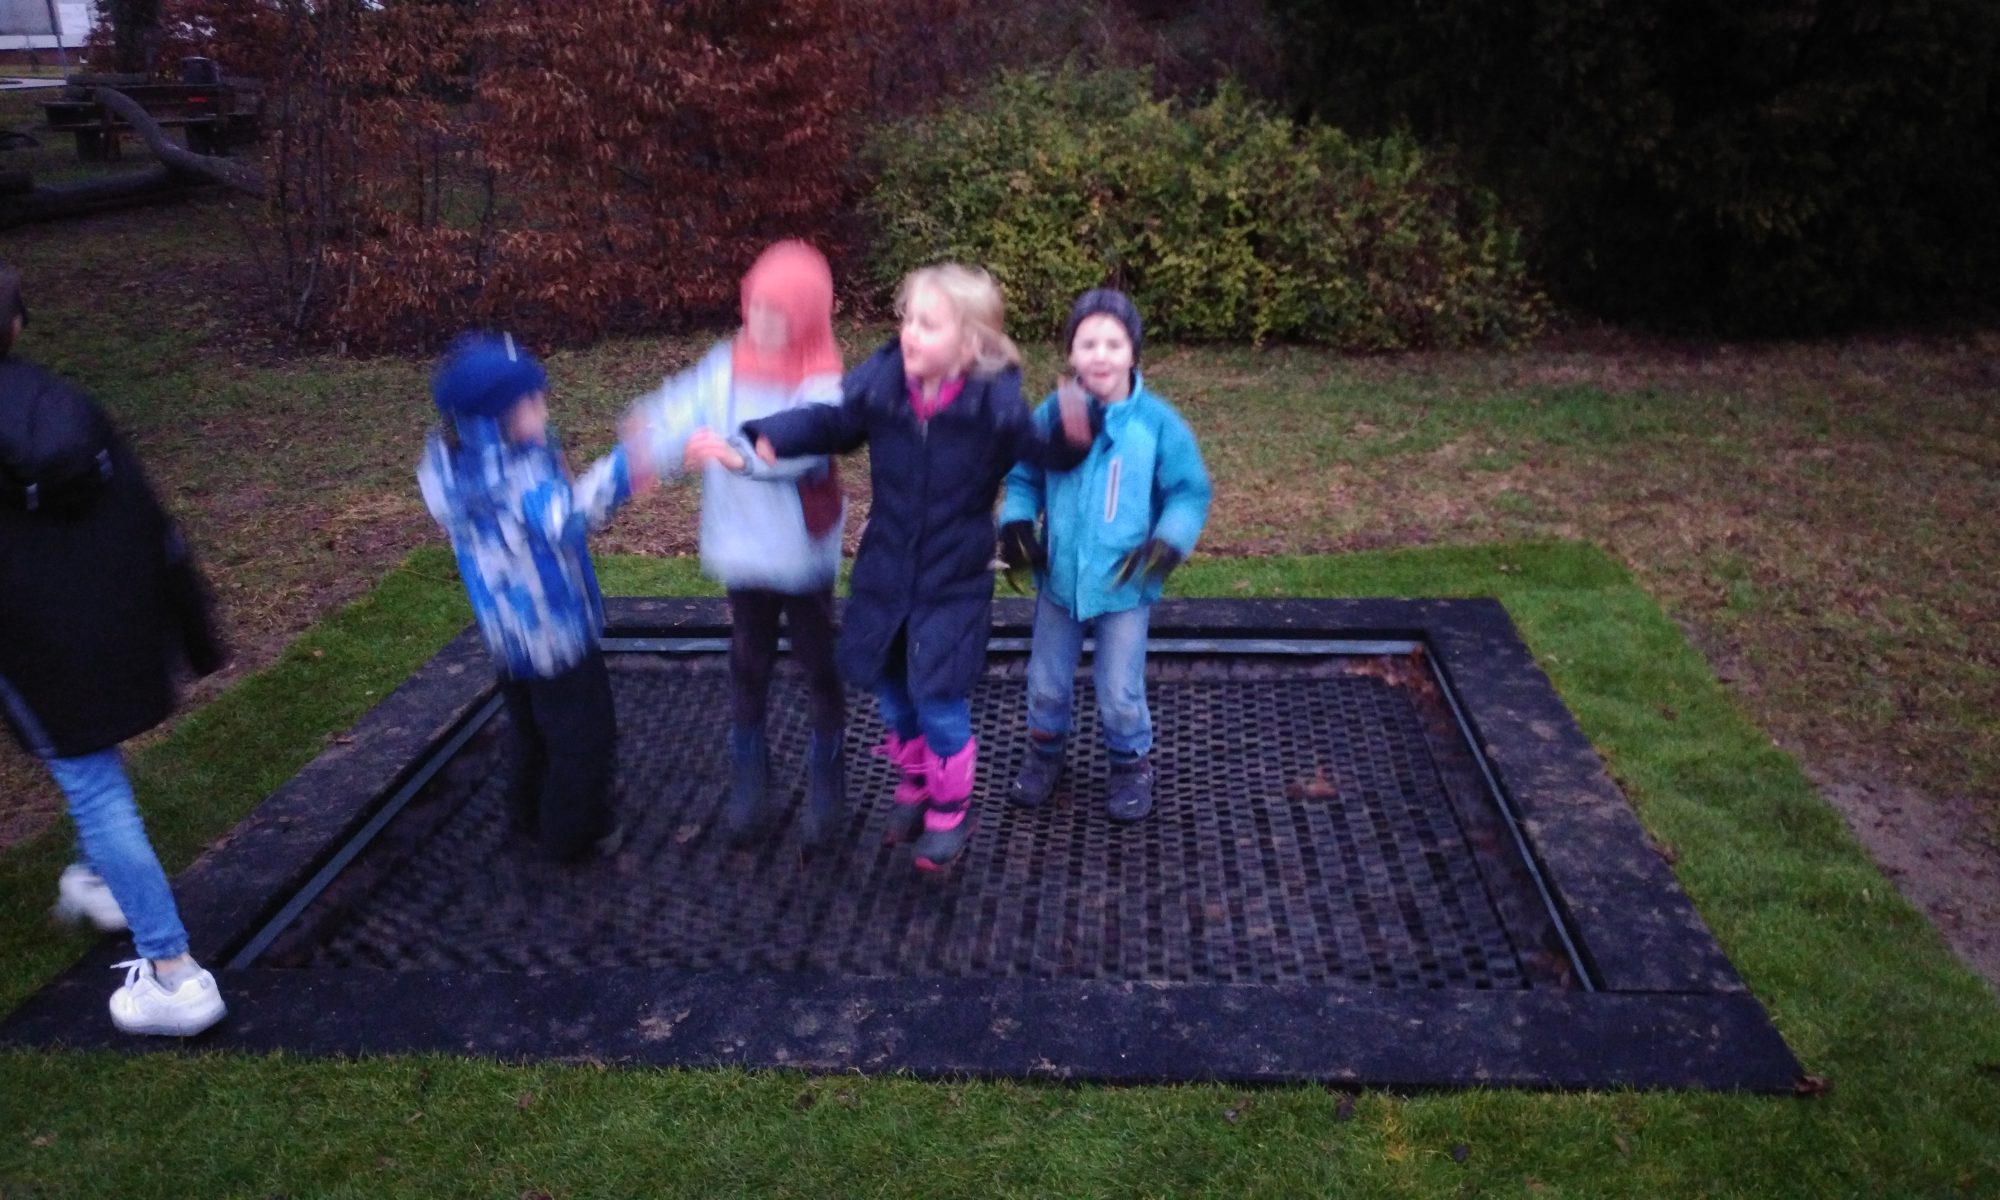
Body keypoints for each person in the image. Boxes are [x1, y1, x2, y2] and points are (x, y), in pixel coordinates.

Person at [742, 264, 1094, 871]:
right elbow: (833, 423)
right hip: (887, 571)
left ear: (971, 344)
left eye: (928, 325)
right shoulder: (883, 392)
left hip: (953, 581)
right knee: (892, 693)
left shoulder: (994, 411)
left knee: (938, 700)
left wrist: (1072, 431)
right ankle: (916, 782)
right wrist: (775, 433)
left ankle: (950, 809)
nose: (909, 333)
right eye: (908, 319)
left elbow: (1042, 453)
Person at [0, 265, 228, 1035]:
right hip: (104, 626)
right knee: (94, 771)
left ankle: (173, 972)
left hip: (31, 643)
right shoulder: (65, 406)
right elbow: (142, 515)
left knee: (94, 787)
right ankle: (100, 877)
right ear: (18, 325)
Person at [622, 240, 849, 848]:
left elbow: (810, 442)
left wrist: (739, 454)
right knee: (748, 653)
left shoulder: (820, 373)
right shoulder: (728, 362)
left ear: (806, 317)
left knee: (816, 658)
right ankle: (750, 765)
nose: (765, 323)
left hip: (798, 545)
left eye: (782, 314)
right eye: (758, 307)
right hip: (746, 542)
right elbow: (683, 405)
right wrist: (650, 441)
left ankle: (828, 766)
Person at [418, 330, 653, 861]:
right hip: (554, 631)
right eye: (532, 402)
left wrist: (546, 450)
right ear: (496, 418)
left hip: (507, 635)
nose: (544, 409)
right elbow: (567, 518)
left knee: (529, 729)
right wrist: (629, 462)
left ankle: (527, 814)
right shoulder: (517, 477)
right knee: (583, 737)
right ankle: (574, 834)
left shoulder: (456, 466)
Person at [998, 288, 1211, 822]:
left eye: (1113, 343)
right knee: (1046, 682)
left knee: (1119, 689)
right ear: (1070, 353)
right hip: (1059, 580)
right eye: (1087, 342)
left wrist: (1169, 542)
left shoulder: (1155, 424)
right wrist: (1018, 523)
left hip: (1124, 585)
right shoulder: (1056, 411)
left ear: (1133, 353)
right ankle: (1045, 754)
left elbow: (1188, 490)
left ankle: (1130, 763)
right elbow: (1024, 475)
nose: (1099, 354)